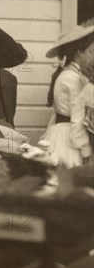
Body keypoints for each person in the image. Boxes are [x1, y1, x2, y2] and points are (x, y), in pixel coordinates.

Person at [41, 21, 94, 168]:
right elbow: (77, 119)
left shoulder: (67, 74)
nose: (91, 57)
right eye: (89, 52)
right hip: (70, 139)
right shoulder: (73, 78)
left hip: (60, 134)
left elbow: (56, 114)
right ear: (79, 53)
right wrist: (85, 151)